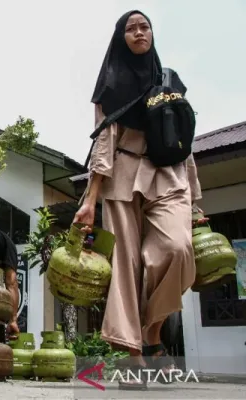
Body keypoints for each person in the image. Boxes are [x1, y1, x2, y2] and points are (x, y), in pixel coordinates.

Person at [74, 10, 204, 390]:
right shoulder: (110, 86)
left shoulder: (169, 82)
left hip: (168, 175)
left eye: (144, 26)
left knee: (177, 248)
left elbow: (184, 143)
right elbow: (104, 143)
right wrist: (90, 199)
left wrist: (195, 200)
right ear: (122, 38)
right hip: (122, 175)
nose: (138, 32)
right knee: (125, 266)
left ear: (152, 34)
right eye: (130, 29)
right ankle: (134, 355)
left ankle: (152, 331)